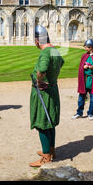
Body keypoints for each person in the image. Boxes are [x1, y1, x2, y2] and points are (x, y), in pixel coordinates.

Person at [29, 26, 64, 168]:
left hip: (43, 92)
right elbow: (60, 63)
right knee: (50, 122)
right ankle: (51, 150)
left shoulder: (45, 52)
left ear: (37, 41)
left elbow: (42, 69)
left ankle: (46, 157)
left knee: (42, 123)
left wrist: (39, 81)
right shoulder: (55, 50)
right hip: (53, 89)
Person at [73, 39, 93, 121]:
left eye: (86, 47)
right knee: (81, 98)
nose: (85, 48)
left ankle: (90, 113)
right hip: (85, 80)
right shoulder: (84, 56)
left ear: (91, 48)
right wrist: (83, 68)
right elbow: (80, 68)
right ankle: (79, 112)